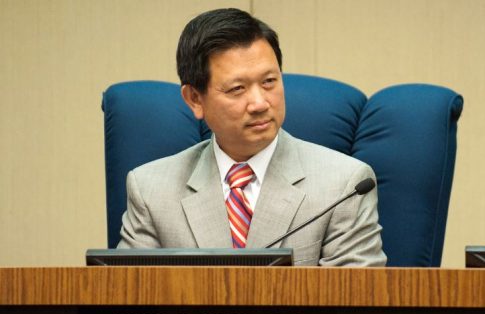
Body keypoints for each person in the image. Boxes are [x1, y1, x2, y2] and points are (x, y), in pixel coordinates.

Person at [117, 8, 387, 266]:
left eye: (269, 82)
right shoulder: (151, 191)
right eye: (237, 89)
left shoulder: (344, 186)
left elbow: (352, 306)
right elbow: (130, 303)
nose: (259, 103)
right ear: (195, 99)